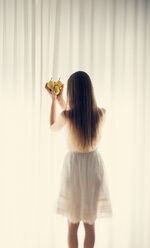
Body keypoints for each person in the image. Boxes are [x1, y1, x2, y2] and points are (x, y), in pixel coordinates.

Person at [45, 71, 113, 248]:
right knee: (90, 224)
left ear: (72, 92)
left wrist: (54, 101)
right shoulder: (101, 114)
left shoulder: (68, 116)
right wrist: (61, 102)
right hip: (93, 167)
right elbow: (79, 116)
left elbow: (53, 126)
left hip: (74, 168)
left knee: (72, 224)